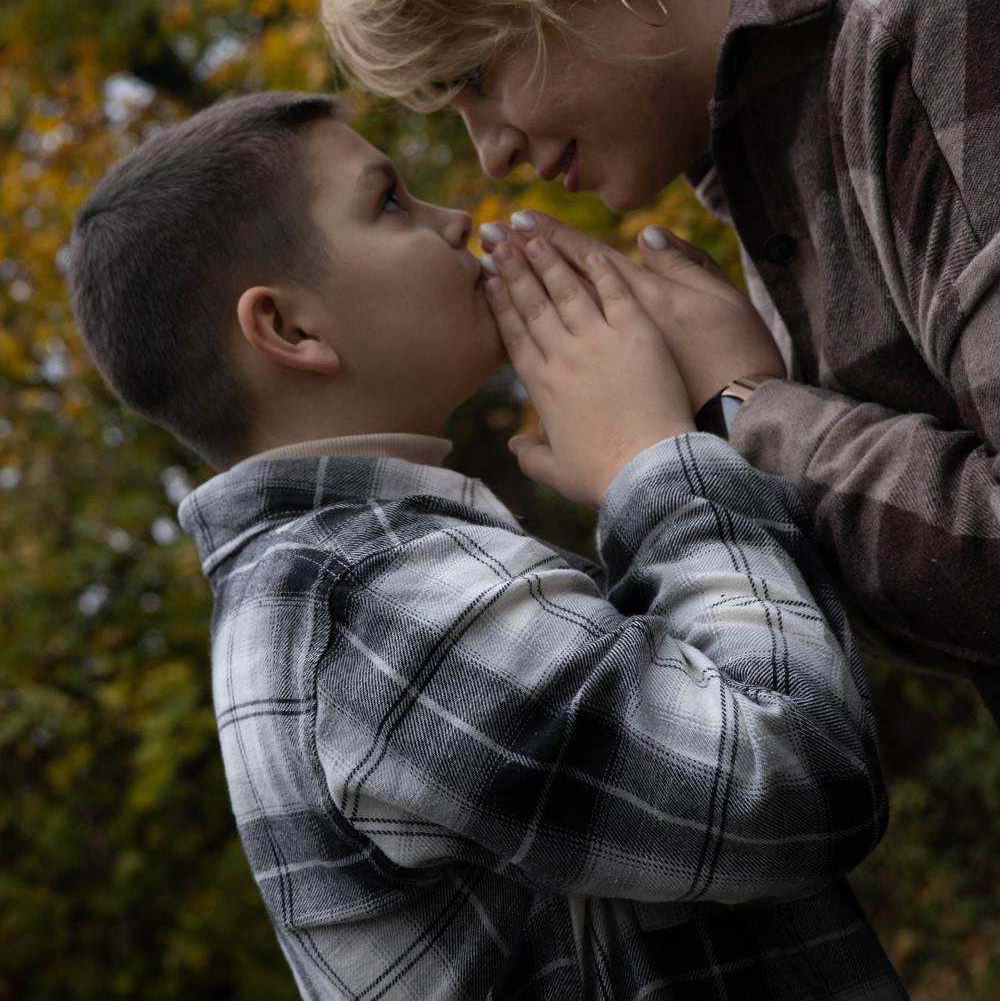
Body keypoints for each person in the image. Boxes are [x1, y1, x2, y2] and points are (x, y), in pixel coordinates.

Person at [66, 90, 904, 999]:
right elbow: (802, 778)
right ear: (289, 329)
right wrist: (658, 461)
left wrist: (702, 438)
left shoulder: (338, 587)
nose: (456, 218)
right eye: (390, 201)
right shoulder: (369, 606)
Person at [322, 0, 1000, 724]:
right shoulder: (770, 154)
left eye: (478, 78)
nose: (492, 157)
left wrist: (743, 414)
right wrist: (699, 444)